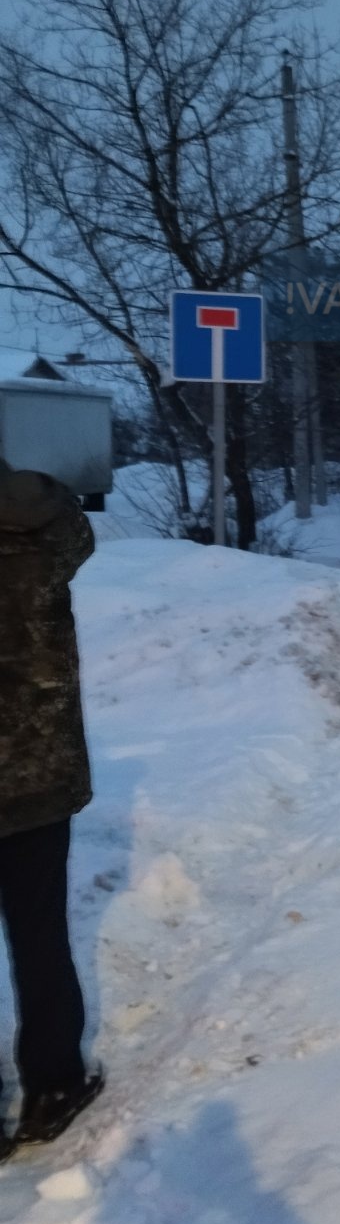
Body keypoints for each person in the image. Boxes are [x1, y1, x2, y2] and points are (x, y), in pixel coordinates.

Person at [0, 458, 103, 1158]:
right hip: (34, 774)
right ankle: (52, 1087)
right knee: (40, 935)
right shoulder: (47, 525)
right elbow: (80, 534)